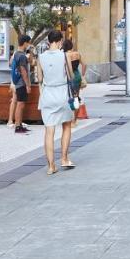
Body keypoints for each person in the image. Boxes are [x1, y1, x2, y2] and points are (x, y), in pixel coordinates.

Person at [34, 30, 75, 174]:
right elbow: (70, 75)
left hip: (47, 94)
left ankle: (51, 166)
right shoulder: (64, 56)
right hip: (62, 93)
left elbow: (39, 78)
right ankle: (64, 158)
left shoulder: (41, 57)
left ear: (48, 41)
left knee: (49, 131)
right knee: (67, 125)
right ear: (60, 41)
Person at [8, 35, 32, 134]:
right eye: (29, 42)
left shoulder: (16, 54)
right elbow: (23, 71)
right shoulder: (22, 56)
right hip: (21, 83)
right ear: (25, 43)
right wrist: (28, 85)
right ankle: (18, 126)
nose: (29, 45)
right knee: (20, 104)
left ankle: (19, 124)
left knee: (20, 104)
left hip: (17, 82)